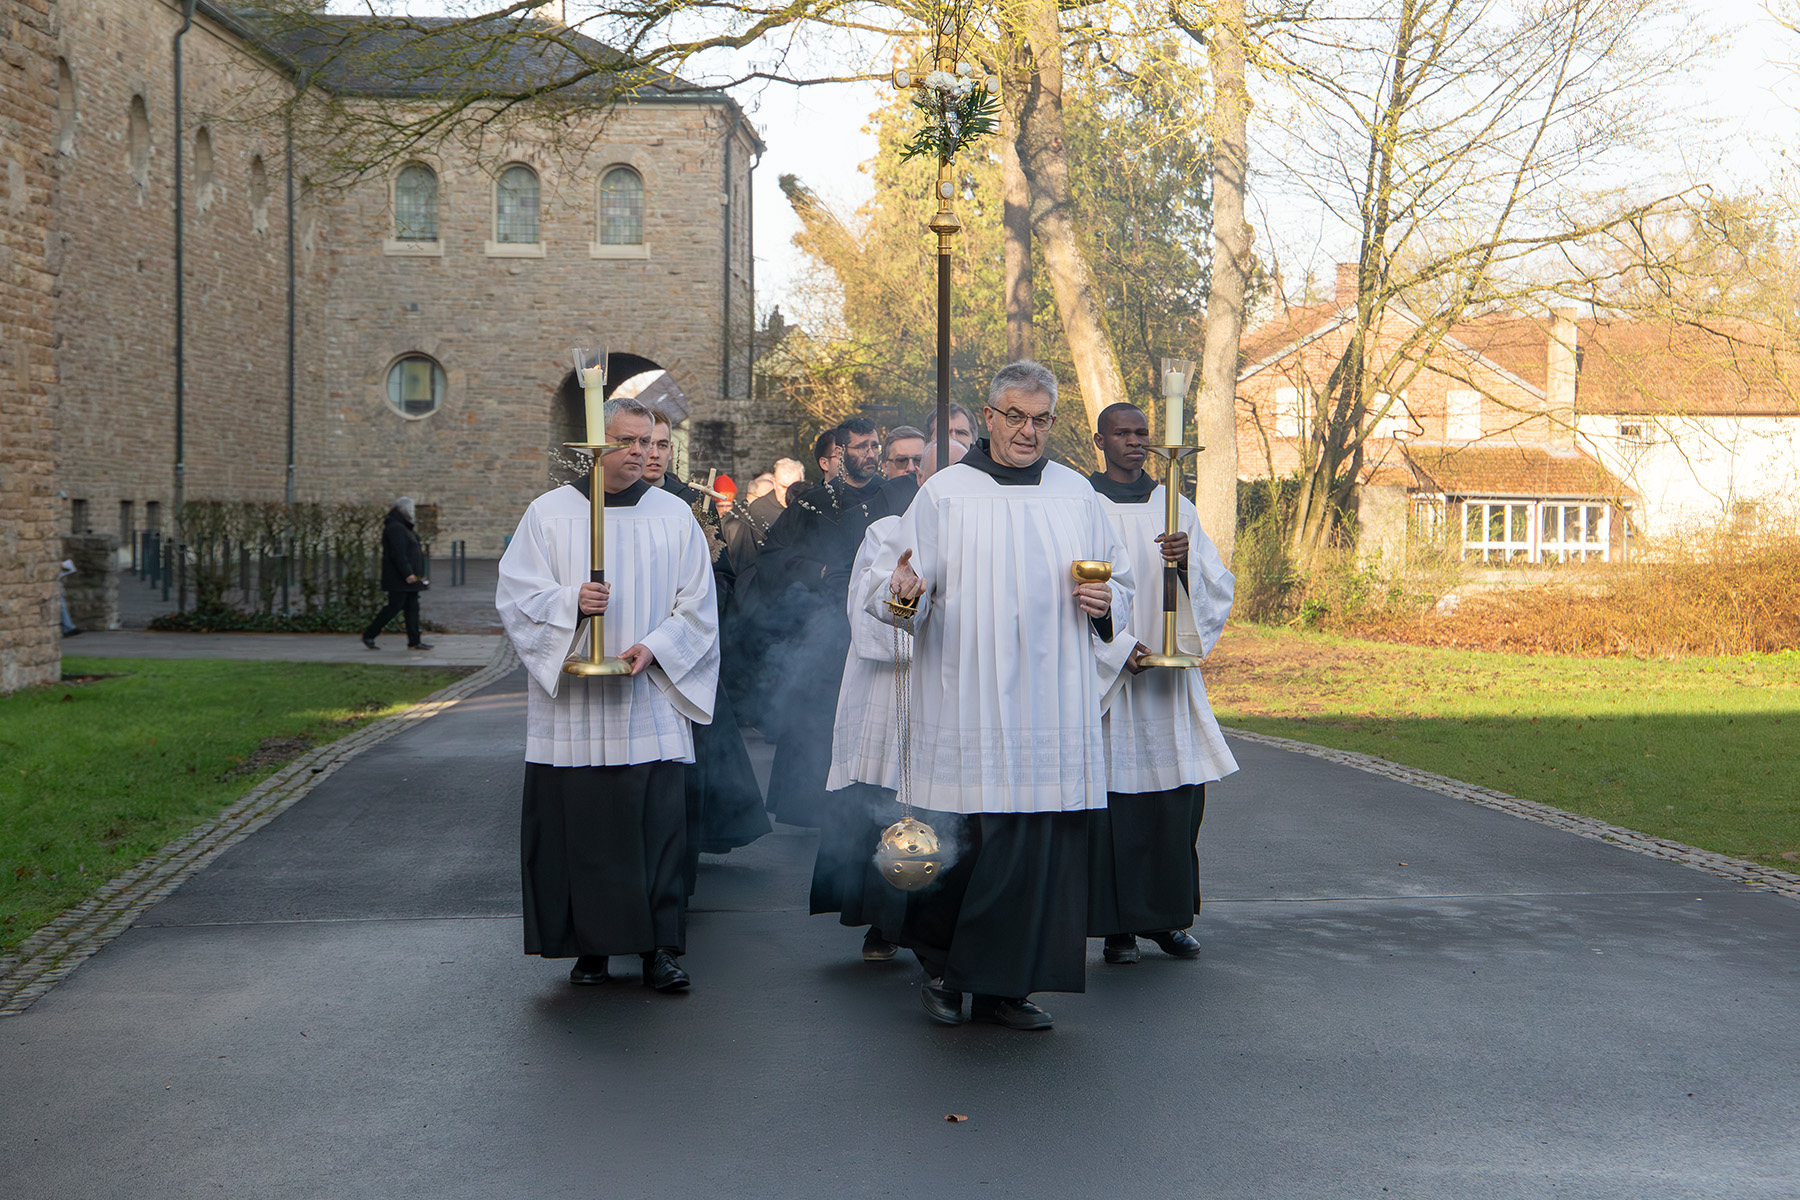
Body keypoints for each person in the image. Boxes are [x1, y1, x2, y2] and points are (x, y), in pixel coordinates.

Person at [873, 361, 1134, 1031]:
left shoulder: (1076, 494)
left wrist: (1107, 603)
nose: (1027, 431)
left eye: (1040, 419)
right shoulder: (945, 494)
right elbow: (904, 599)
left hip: (1052, 697)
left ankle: (1005, 988)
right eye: (1014, 417)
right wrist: (902, 597)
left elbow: (1121, 589)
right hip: (969, 693)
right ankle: (942, 971)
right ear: (988, 418)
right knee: (970, 841)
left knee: (1038, 844)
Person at [495, 397, 720, 993]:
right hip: (572, 709)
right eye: (628, 441)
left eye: (650, 442)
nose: (642, 453)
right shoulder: (548, 514)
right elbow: (517, 595)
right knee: (583, 828)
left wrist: (655, 648)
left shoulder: (674, 514)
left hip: (647, 697)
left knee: (655, 828)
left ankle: (658, 951)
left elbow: (698, 606)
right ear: (597, 444)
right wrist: (570, 602)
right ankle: (590, 949)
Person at [1086, 402, 1238, 965]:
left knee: (1176, 803)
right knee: (1113, 808)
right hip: (1112, 677)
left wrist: (1186, 560)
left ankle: (1168, 920)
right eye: (1121, 433)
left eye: (1141, 433)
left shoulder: (1175, 507)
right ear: (1099, 439)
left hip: (1168, 682)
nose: (1133, 441)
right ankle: (1117, 929)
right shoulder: (1083, 504)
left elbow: (1215, 588)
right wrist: (1113, 649)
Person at [638, 411, 769, 885]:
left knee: (690, 762)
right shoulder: (605, 501)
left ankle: (680, 864)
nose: (653, 453)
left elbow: (723, 573)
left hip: (685, 645)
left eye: (662, 444)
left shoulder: (692, 501)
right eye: (645, 443)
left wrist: (699, 604)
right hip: (630, 642)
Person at [758, 417, 886, 828]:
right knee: (821, 718)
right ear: (840, 453)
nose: (870, 453)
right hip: (823, 631)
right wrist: (818, 570)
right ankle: (814, 802)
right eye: (862, 446)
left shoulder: (894, 498)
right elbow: (773, 557)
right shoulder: (814, 502)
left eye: (875, 445)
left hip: (876, 628)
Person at [362, 497, 431, 651]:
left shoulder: (405, 528)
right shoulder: (396, 528)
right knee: (394, 606)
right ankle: (370, 634)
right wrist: (407, 573)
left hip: (412, 577)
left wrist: (420, 577)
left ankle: (414, 641)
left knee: (412, 608)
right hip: (400, 578)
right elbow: (398, 553)